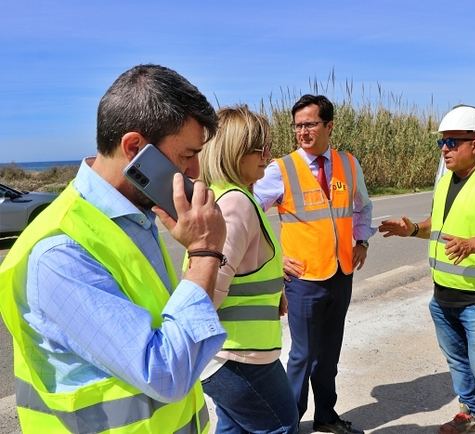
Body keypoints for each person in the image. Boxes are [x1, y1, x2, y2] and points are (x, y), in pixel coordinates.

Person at [0, 64, 228, 434]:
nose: (196, 170)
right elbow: (166, 372)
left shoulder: (136, 217)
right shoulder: (59, 252)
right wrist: (204, 253)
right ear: (135, 148)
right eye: (187, 155)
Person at [378, 106, 475, 434]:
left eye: (453, 142)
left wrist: (473, 244)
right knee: (457, 361)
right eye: (441, 143)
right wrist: (413, 228)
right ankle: (470, 410)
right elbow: (439, 226)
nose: (445, 149)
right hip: (443, 295)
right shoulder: (445, 182)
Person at [254, 94, 373, 434]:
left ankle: (326, 417)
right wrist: (273, 260)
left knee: (329, 355)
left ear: (329, 126)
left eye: (310, 124)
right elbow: (248, 214)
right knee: (302, 356)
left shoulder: (348, 164)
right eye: (298, 126)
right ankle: (289, 422)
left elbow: (363, 206)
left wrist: (361, 240)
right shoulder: (281, 169)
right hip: (303, 279)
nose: (302, 132)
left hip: (341, 274)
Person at [195, 106, 298, 433]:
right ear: (233, 150)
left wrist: (271, 295)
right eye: (258, 147)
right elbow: (208, 292)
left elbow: (240, 273)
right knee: (281, 426)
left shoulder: (233, 198)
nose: (267, 155)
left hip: (232, 358)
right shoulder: (235, 205)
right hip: (238, 358)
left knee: (233, 429)